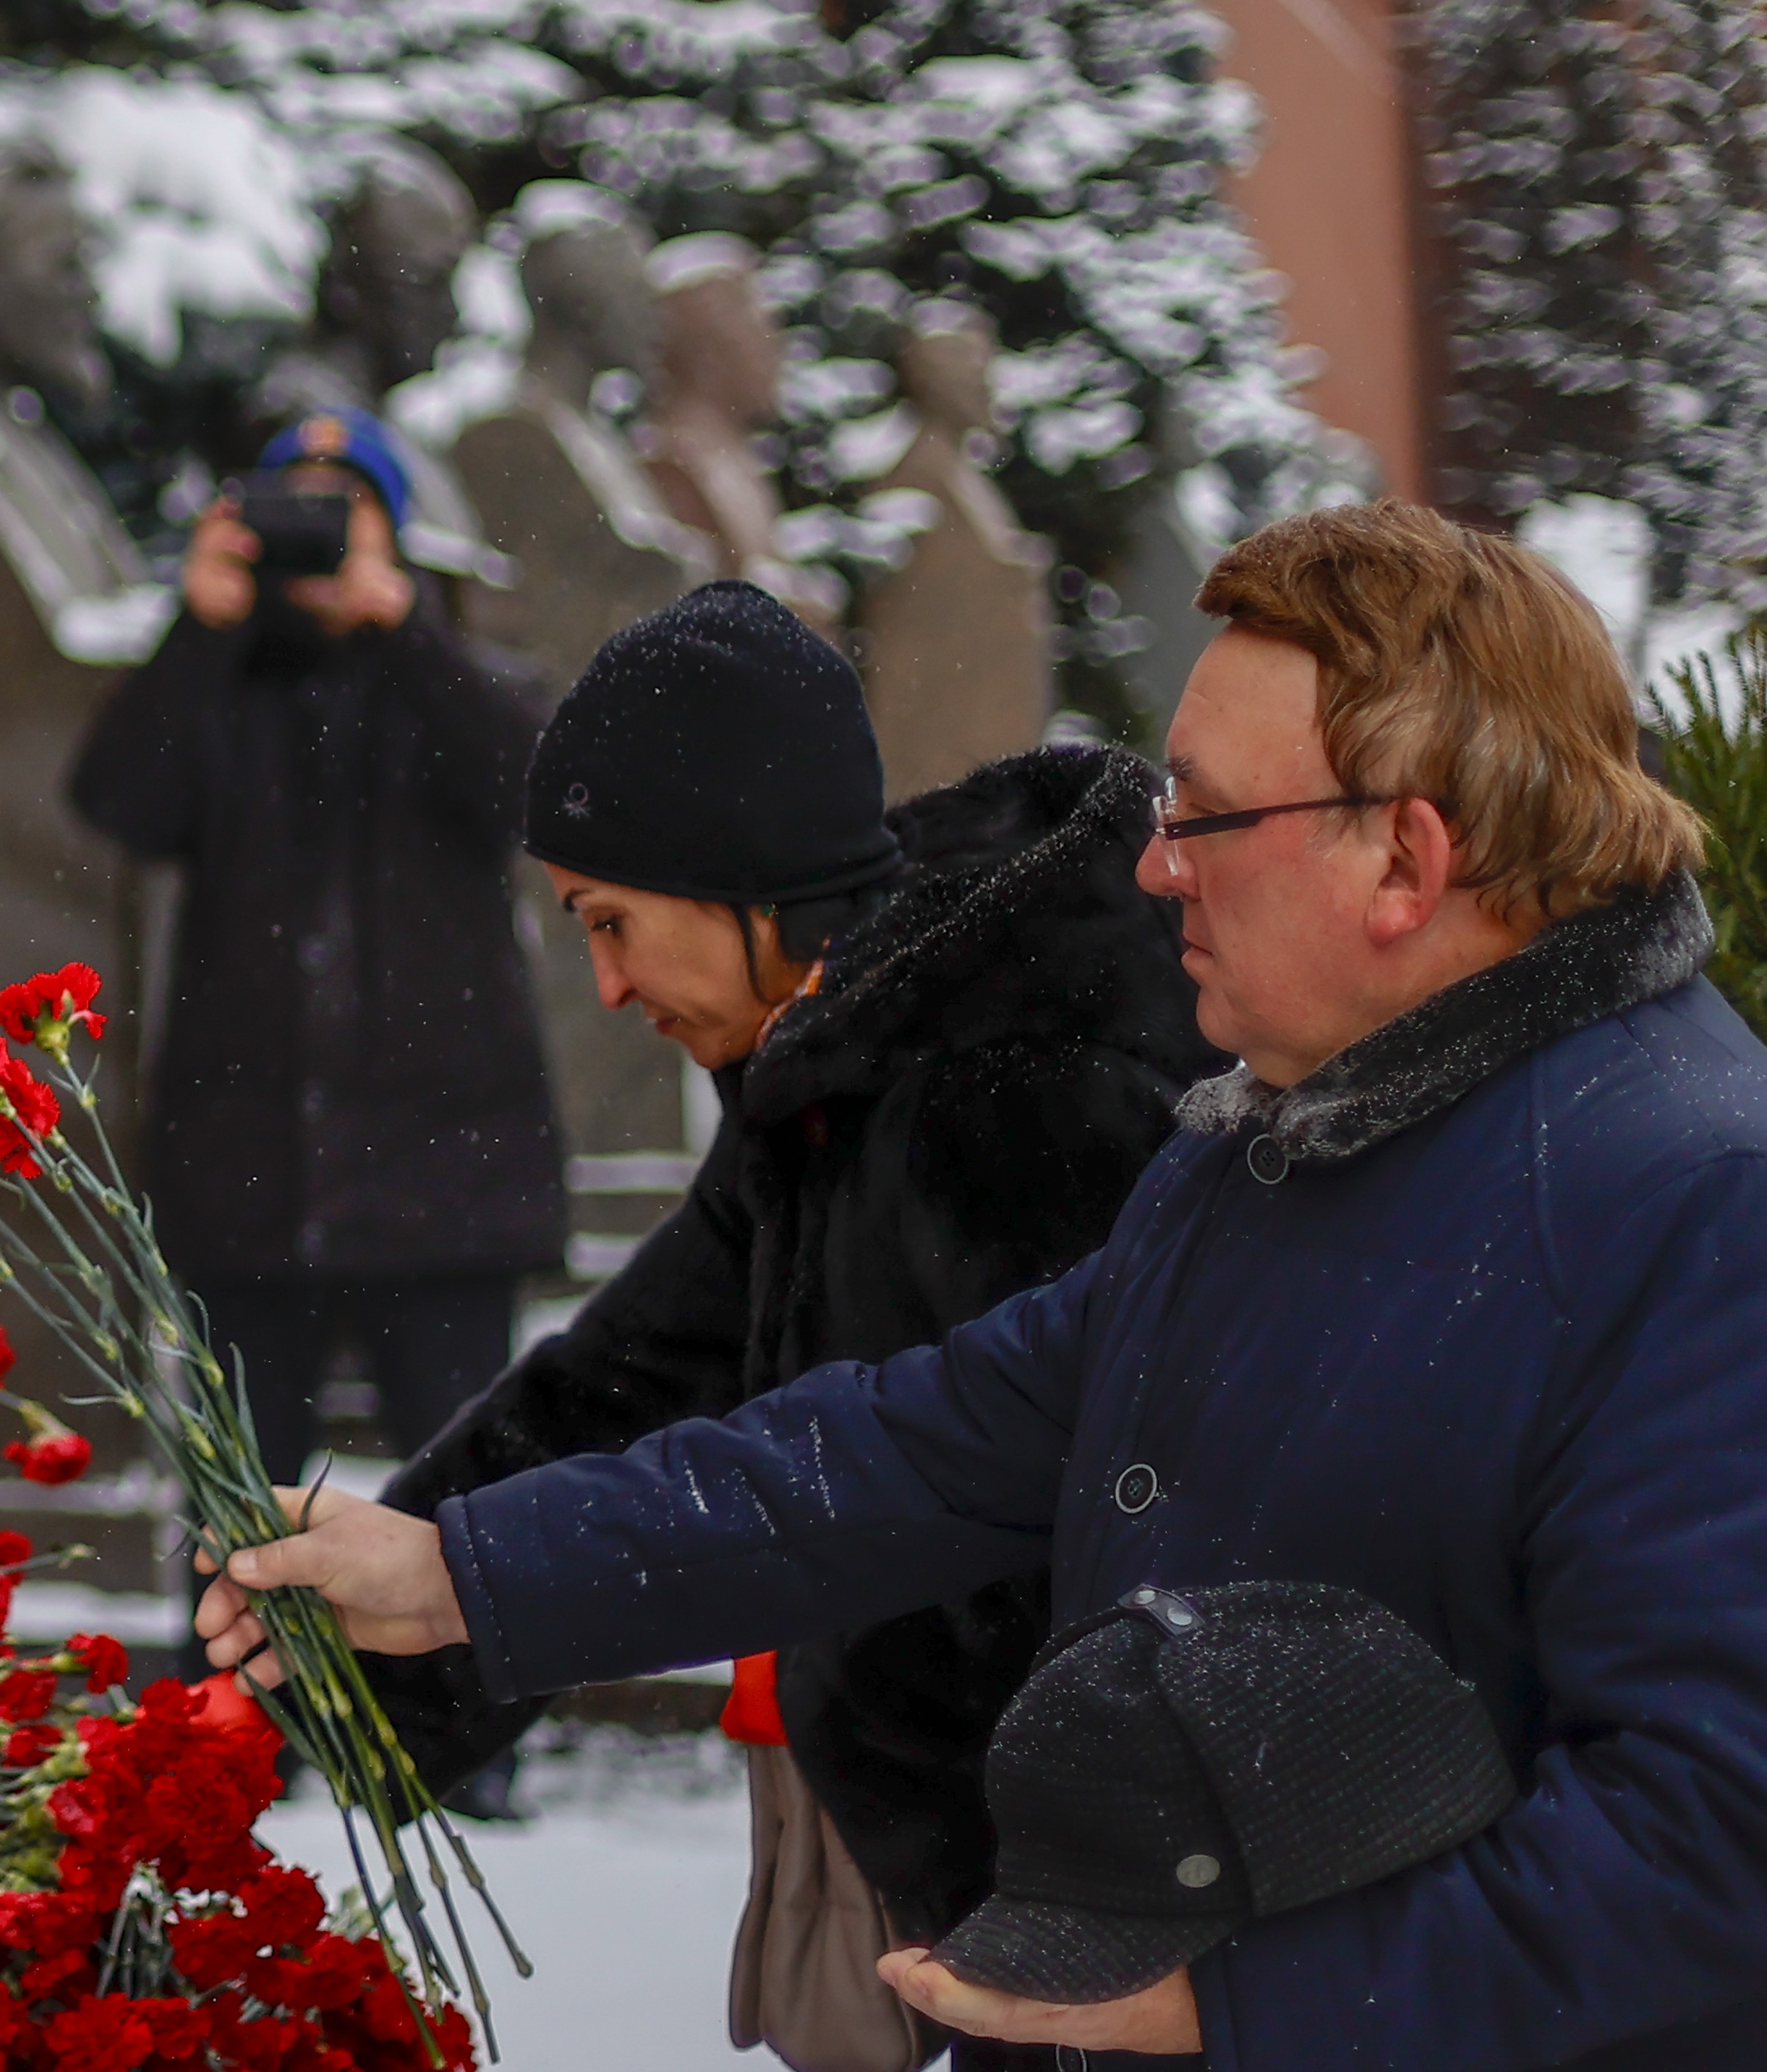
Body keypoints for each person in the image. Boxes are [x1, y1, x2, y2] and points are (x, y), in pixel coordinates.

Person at [200, 504, 1767, 2071]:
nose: (1157, 868)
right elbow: (910, 1448)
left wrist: (1231, 2009)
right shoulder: (1272, 1139)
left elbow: (1718, 1834)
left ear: (1405, 860)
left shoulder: (1695, 1203)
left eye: (1206, 820)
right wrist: (463, 1570)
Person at [363, 579, 1210, 2070]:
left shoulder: (1003, 1095)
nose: (611, 983)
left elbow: (1061, 1514)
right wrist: (349, 1666)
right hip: (1012, 1900)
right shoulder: (837, 1068)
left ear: (739, 881)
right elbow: (629, 1380)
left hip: (1119, 1910)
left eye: (613, 923)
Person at [67, 410, 563, 1486]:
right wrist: (197, 628)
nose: (319, 538)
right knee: (239, 1532)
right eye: (296, 508)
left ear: (397, 532)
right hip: (245, 1191)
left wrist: (406, 627)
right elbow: (117, 800)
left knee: (465, 1522)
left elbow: (532, 797)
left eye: (348, 511)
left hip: (447, 1185)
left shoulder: (460, 672)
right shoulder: (215, 689)